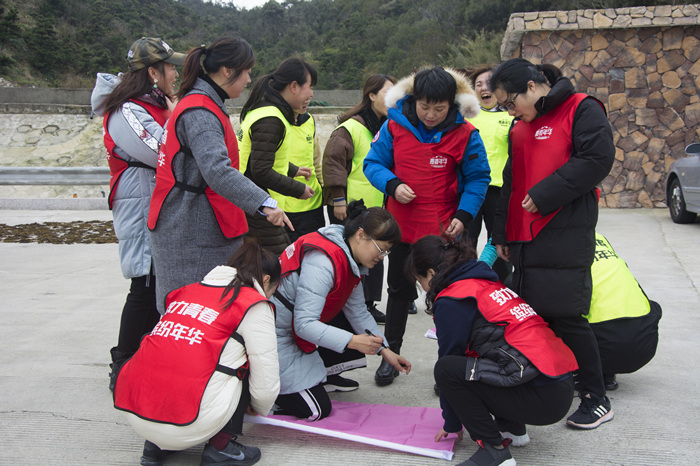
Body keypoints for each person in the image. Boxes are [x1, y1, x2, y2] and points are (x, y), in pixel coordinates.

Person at [490, 58, 615, 429]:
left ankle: (595, 396)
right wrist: (501, 234)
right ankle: (545, 382)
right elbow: (511, 182)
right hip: (523, 237)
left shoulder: (581, 108)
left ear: (531, 86)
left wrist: (545, 194)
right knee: (532, 315)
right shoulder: (519, 127)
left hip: (565, 231)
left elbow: (597, 159)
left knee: (567, 315)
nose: (509, 111)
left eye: (511, 102)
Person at [363, 66, 491, 386]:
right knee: (398, 292)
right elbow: (372, 163)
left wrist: (464, 215)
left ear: (452, 104)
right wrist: (392, 185)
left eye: (439, 108)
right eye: (424, 107)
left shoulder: (466, 134)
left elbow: (478, 178)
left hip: (443, 234)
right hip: (402, 231)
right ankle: (391, 356)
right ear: (413, 100)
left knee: (448, 299)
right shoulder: (394, 126)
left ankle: (449, 364)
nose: (431, 115)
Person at [148, 34, 291, 314]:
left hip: (195, 221)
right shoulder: (201, 110)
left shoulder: (205, 103)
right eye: (246, 71)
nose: (249, 79)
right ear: (228, 71)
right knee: (193, 310)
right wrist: (265, 203)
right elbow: (217, 170)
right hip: (191, 226)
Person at [406, 235, 577, 466]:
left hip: (542, 397)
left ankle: (494, 451)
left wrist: (452, 423)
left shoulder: (453, 299)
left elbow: (450, 361)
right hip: (559, 385)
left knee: (447, 369)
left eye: (421, 281)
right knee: (485, 358)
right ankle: (511, 427)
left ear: (431, 273)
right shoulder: (486, 284)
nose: (424, 289)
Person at [114, 239, 280, 466]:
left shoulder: (186, 292)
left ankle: (155, 446)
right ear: (266, 280)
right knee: (244, 362)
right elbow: (265, 374)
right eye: (272, 291)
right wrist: (260, 407)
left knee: (171, 352)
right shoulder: (253, 304)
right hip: (191, 423)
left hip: (137, 416)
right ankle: (221, 448)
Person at [90, 37, 185, 391]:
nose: (175, 73)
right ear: (153, 73)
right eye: (170, 67)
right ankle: (122, 365)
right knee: (144, 286)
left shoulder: (152, 104)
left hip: (153, 203)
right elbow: (162, 151)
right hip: (139, 204)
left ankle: (142, 361)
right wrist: (177, 116)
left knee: (156, 285)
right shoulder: (127, 110)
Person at [271, 201, 411, 420]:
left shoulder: (348, 256)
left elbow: (358, 311)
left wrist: (385, 350)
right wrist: (352, 341)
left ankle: (319, 374)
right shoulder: (324, 262)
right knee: (317, 410)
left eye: (386, 252)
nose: (381, 257)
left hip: (293, 329)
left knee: (348, 318)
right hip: (277, 335)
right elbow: (304, 325)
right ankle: (265, 396)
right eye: (381, 249)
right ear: (360, 235)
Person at [322, 74, 397, 324]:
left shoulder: (387, 127)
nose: (393, 99)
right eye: (387, 92)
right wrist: (339, 200)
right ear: (371, 95)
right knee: (351, 259)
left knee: (376, 254)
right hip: (351, 208)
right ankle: (344, 306)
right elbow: (333, 163)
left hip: (376, 208)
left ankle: (368, 304)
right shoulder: (350, 127)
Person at [238, 57, 319, 254]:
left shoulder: (264, 111)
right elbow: (260, 170)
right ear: (294, 86)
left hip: (253, 201)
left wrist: (293, 170)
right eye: (310, 87)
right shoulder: (271, 119)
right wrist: (298, 189)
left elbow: (260, 158)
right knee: (273, 264)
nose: (312, 94)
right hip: (258, 205)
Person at [583, 233, 662, 390]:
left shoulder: (554, 242)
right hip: (644, 340)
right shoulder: (599, 237)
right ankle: (607, 374)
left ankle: (587, 373)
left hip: (601, 341)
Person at [465, 65, 514, 283]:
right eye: (478, 84)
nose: (484, 88)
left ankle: (501, 286)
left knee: (500, 242)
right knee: (465, 242)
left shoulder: (512, 116)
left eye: (489, 83)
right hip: (471, 189)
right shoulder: (465, 117)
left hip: (500, 190)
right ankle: (466, 285)